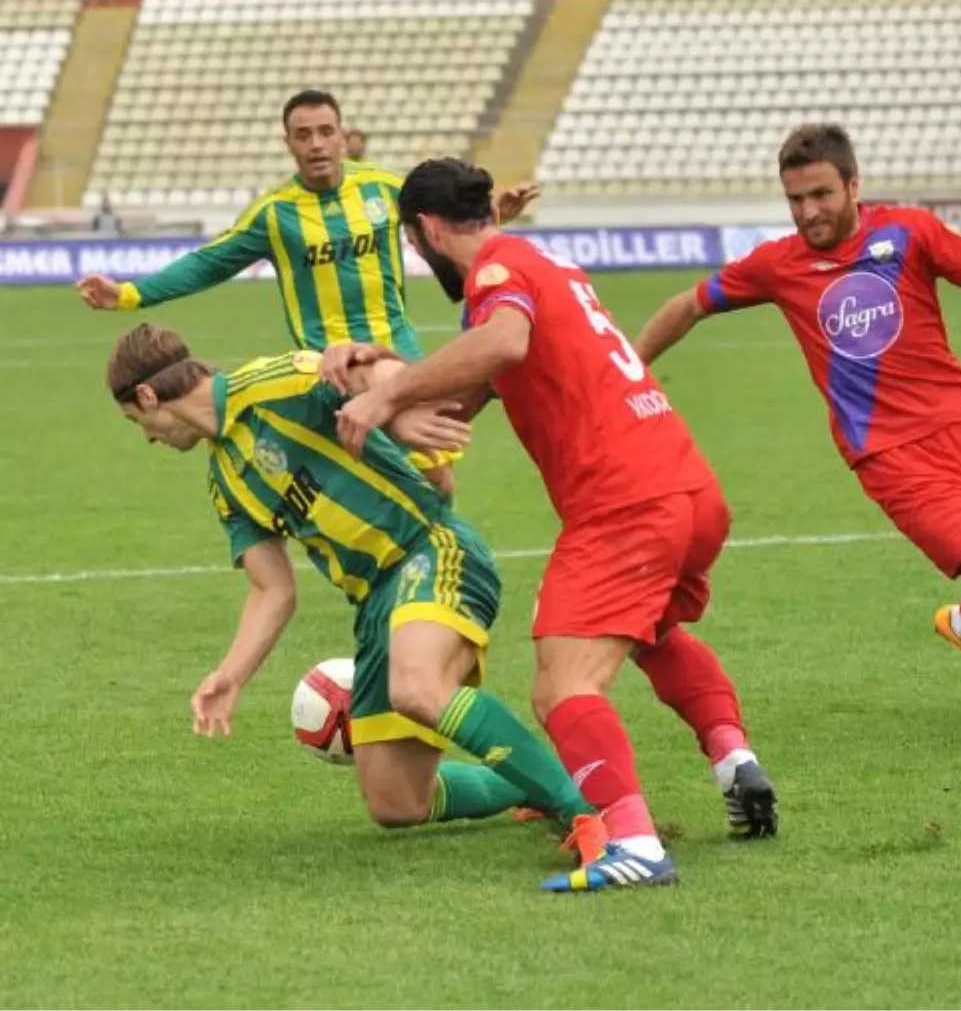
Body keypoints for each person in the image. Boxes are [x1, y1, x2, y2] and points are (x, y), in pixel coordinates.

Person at [632, 123, 961, 745]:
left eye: (821, 195)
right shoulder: (778, 265)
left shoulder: (908, 231)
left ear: (853, 186)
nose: (808, 212)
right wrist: (628, 367)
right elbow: (690, 304)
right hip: (893, 458)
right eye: (796, 200)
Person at [332, 158, 779, 893]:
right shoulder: (538, 264)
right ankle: (735, 761)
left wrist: (383, 399)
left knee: (561, 689)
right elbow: (479, 384)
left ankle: (633, 843)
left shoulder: (498, 277)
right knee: (652, 635)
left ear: (427, 230)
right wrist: (394, 390)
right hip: (688, 489)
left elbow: (502, 345)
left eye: (415, 244)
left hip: (625, 503)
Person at [104, 321, 608, 880]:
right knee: (396, 804)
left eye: (136, 422)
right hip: (375, 606)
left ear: (148, 395)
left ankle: (592, 816)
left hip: (429, 549)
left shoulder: (272, 383)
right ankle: (545, 781)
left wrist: (399, 404)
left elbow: (363, 369)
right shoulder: (226, 481)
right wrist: (231, 675)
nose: (147, 437)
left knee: (418, 687)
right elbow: (273, 589)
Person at [77, 90, 538, 494]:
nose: (315, 143)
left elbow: (445, 223)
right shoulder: (275, 214)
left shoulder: (383, 188)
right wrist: (129, 294)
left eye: (325, 131)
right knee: (366, 487)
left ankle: (440, 576)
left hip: (397, 358)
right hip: (328, 374)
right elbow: (210, 263)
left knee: (435, 479)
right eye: (303, 135)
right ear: (288, 144)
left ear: (342, 136)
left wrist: (494, 216)